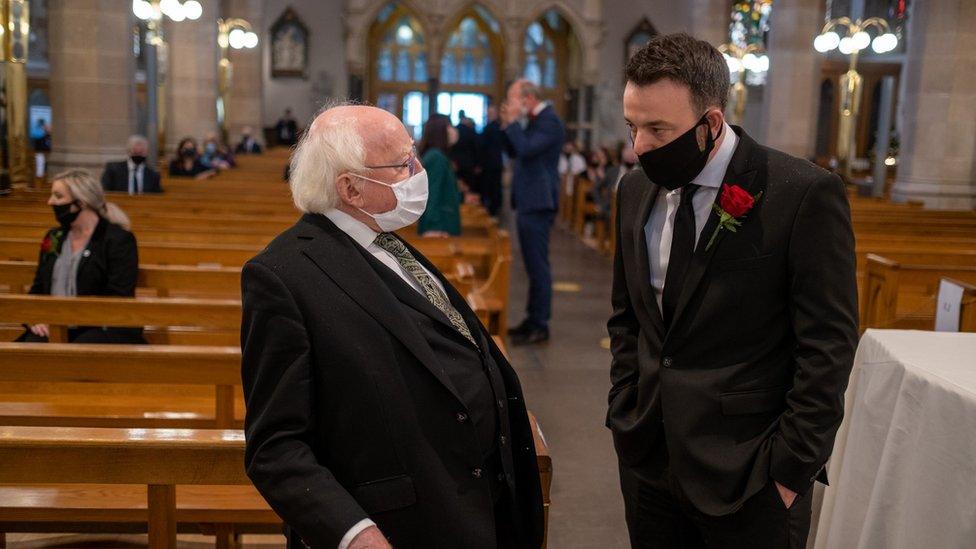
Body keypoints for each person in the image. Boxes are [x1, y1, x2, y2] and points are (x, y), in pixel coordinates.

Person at [240, 103, 544, 549]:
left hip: (469, 511)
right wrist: (353, 534)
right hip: (395, 530)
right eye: (404, 164)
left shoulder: (386, 243)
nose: (420, 171)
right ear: (352, 188)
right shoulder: (284, 275)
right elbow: (276, 445)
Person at [607, 33, 858, 548]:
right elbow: (627, 316)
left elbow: (827, 344)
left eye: (658, 129)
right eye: (632, 127)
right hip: (650, 459)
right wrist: (625, 409)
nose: (639, 147)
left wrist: (790, 471)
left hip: (751, 472)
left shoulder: (801, 194)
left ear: (711, 124)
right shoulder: (634, 189)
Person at [17, 169, 145, 344]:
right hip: (54, 325)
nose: (50, 202)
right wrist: (35, 319)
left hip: (104, 326)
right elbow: (38, 289)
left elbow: (119, 297)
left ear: (81, 202)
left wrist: (73, 318)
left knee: (80, 348)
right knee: (26, 350)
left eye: (58, 196)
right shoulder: (54, 237)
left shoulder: (117, 240)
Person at [500, 79, 565, 346]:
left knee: (538, 266)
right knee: (531, 265)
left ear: (527, 99)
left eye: (512, 99)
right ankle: (531, 319)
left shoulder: (550, 121)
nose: (510, 104)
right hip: (529, 200)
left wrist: (515, 123)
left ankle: (540, 324)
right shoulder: (535, 121)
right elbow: (513, 150)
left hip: (539, 201)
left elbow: (526, 150)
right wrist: (507, 125)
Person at [417, 114, 462, 237]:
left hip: (442, 224)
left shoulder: (437, 155)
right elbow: (432, 194)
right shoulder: (436, 157)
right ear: (440, 131)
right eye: (449, 126)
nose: (453, 131)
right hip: (439, 228)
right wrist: (434, 226)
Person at [477, 105, 505, 217]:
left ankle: (489, 212)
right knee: (496, 188)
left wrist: (479, 163)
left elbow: (482, 146)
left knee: (489, 188)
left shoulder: (489, 128)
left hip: (488, 164)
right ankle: (495, 210)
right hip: (497, 163)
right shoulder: (499, 127)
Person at [450, 110, 479, 196]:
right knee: (469, 187)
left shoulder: (455, 129)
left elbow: (452, 148)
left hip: (457, 162)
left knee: (458, 185)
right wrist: (477, 163)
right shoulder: (470, 130)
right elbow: (476, 148)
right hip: (469, 162)